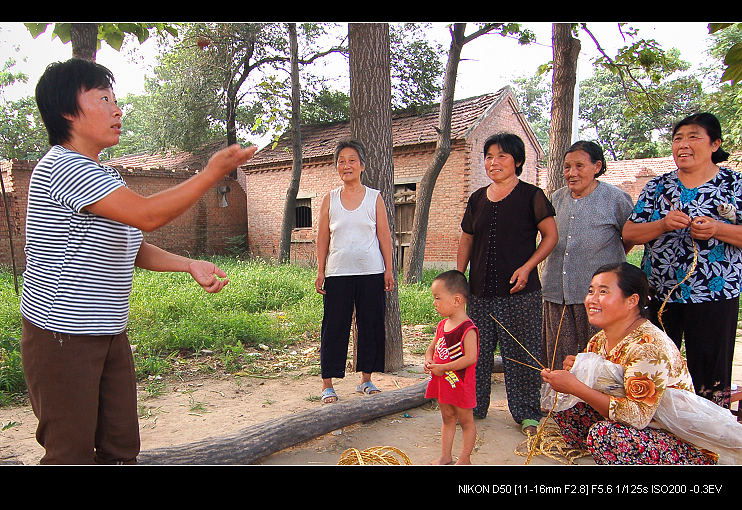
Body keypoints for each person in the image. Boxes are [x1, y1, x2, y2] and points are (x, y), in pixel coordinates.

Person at [20, 58, 257, 464]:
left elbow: (132, 245)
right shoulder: (60, 166)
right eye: (103, 98)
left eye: (116, 99)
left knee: (120, 448)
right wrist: (209, 174)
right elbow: (149, 214)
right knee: (69, 454)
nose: (117, 109)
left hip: (109, 331)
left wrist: (188, 264)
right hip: (62, 335)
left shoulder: (105, 175)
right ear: (66, 111)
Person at [541, 262, 718, 465]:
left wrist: (576, 386)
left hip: (674, 438)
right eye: (591, 291)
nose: (592, 300)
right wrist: (578, 370)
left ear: (631, 301)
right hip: (637, 428)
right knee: (565, 402)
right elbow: (602, 383)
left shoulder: (648, 346)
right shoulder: (599, 340)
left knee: (605, 436)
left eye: (603, 292)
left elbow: (637, 417)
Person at [622, 112, 742, 408]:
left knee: (710, 374)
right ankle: (659, 434)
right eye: (678, 138)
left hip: (715, 293)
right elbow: (630, 233)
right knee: (654, 368)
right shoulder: (658, 187)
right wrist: (662, 224)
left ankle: (709, 436)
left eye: (693, 137)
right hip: (659, 294)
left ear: (715, 144)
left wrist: (718, 229)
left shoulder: (734, 184)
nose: (683, 145)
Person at [457, 132, 558, 435]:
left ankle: (527, 412)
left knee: (522, 352)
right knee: (477, 352)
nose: (494, 162)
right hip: (479, 292)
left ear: (517, 161)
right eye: (488, 156)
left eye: (501, 156)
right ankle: (474, 405)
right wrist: (458, 277)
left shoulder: (532, 195)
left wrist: (528, 267)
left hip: (520, 292)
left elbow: (551, 236)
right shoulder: (476, 199)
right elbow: (466, 239)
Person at [540, 141, 634, 371]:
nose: (572, 173)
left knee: (598, 360)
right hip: (557, 293)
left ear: (597, 166)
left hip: (599, 298)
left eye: (579, 166)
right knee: (560, 359)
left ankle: (596, 406)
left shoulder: (615, 199)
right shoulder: (556, 199)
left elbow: (629, 237)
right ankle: (560, 406)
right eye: (567, 167)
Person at [314, 139, 395, 404]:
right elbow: (323, 237)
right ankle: (328, 383)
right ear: (336, 167)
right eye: (341, 161)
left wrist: (388, 269)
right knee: (334, 326)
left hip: (371, 272)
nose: (346, 165)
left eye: (352, 160)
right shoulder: (330, 198)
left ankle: (366, 379)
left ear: (362, 166)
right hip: (338, 273)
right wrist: (320, 270)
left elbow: (384, 235)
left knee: (370, 325)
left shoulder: (375, 197)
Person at [424, 270, 479, 465]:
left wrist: (444, 367)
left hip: (461, 384)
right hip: (443, 383)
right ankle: (445, 456)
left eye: (438, 298)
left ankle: (464, 458)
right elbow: (432, 348)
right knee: (447, 418)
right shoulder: (441, 325)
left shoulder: (468, 328)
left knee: (465, 421)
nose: (434, 303)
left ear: (456, 300)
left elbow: (470, 358)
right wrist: (429, 360)